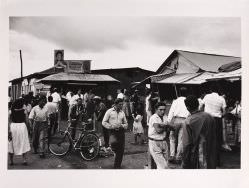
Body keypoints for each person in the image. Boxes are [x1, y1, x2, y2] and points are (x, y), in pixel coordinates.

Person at [182, 95, 217, 169]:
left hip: (197, 157)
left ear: (187, 108)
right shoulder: (209, 116)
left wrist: (185, 162)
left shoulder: (188, 121)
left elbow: (186, 144)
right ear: (198, 105)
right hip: (211, 153)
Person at [200, 84, 226, 167]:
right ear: (218, 91)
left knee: (207, 139)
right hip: (217, 120)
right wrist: (220, 115)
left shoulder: (207, 96)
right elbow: (224, 112)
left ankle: (207, 161)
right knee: (217, 140)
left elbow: (200, 107)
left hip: (207, 119)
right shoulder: (221, 99)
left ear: (211, 90)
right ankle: (217, 161)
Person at [102, 98, 128, 169]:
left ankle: (117, 166)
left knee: (121, 150)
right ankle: (116, 163)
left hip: (121, 132)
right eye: (120, 104)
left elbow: (126, 124)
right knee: (114, 147)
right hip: (113, 132)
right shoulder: (109, 111)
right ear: (115, 104)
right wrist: (111, 126)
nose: (121, 106)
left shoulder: (122, 112)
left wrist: (122, 126)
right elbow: (104, 122)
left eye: (122, 104)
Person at [167, 87, 190, 163]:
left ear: (179, 93)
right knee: (181, 139)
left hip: (176, 120)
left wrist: (169, 121)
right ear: (186, 93)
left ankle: (172, 155)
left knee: (172, 138)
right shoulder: (188, 101)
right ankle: (178, 157)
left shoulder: (175, 101)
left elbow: (171, 112)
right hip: (185, 120)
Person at [148, 102, 173, 169]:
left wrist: (164, 126)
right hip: (155, 142)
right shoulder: (153, 117)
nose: (163, 111)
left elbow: (170, 129)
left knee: (166, 163)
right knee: (163, 166)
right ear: (156, 109)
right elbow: (158, 130)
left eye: (164, 109)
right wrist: (166, 126)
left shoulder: (165, 117)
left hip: (163, 141)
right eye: (160, 109)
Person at [8, 98, 31, 165]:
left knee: (11, 143)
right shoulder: (24, 111)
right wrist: (29, 129)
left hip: (13, 126)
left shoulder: (10, 111)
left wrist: (9, 130)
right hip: (22, 127)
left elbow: (9, 121)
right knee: (23, 142)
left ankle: (11, 161)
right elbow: (27, 121)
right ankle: (24, 160)